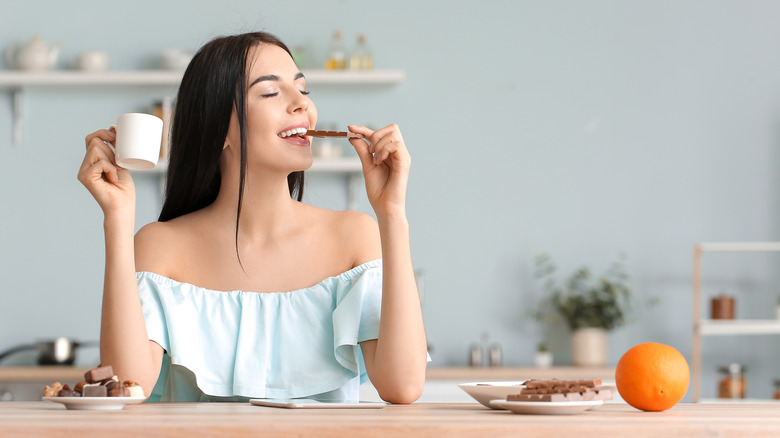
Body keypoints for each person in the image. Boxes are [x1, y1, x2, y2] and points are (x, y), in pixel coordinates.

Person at [77, 32, 427, 403]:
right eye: (271, 93)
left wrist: (393, 214)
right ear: (217, 129)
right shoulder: (160, 246)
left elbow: (402, 386)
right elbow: (127, 387)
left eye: (303, 90)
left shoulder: (354, 236)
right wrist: (117, 216)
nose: (302, 106)